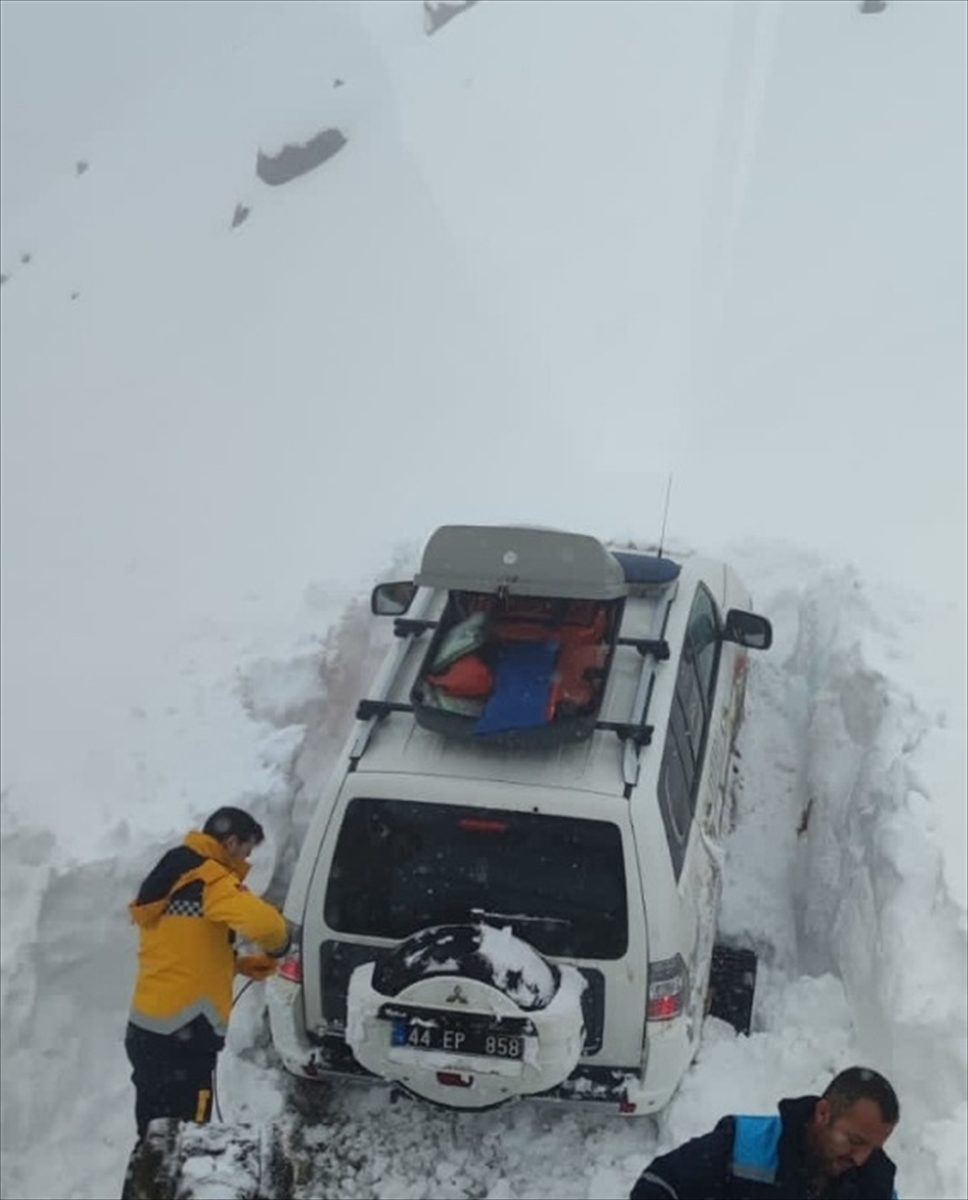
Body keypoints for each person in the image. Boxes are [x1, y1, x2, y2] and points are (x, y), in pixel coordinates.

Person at [124, 806, 289, 1140]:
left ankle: (145, 1189)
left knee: (154, 1138)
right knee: (187, 1143)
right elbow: (267, 925)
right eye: (245, 851)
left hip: (147, 1032)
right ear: (230, 842)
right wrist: (280, 945)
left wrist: (238, 965)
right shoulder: (210, 877)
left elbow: (180, 949)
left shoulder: (172, 871)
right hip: (183, 1040)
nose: (245, 861)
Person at [629, 1066, 900, 1200]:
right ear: (822, 1114)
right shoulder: (744, 1147)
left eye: (873, 1148)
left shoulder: (875, 1186)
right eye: (854, 1141)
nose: (861, 1159)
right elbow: (659, 1183)